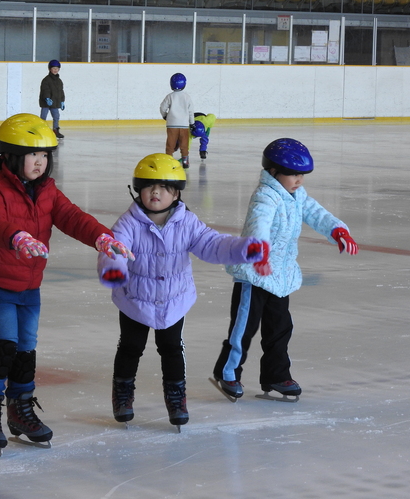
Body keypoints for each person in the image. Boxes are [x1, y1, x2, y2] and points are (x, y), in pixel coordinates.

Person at [0, 113, 133, 454]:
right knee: (3, 350)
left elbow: (72, 217)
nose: (40, 162)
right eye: (33, 155)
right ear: (10, 156)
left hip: (29, 287)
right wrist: (17, 237)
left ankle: (20, 410)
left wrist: (102, 237)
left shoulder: (47, 191)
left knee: (25, 353)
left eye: (45, 156)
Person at [97, 153, 263, 430]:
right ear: (139, 189)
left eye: (164, 187)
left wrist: (242, 249)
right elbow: (116, 247)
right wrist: (113, 267)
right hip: (135, 299)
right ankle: (123, 395)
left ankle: (176, 398)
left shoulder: (187, 222)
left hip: (173, 301)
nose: (156, 192)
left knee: (172, 348)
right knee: (130, 347)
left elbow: (212, 244)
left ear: (176, 193)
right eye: (150, 186)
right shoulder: (128, 222)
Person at [212, 138, 358, 402]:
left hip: (280, 277)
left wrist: (337, 230)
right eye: (292, 174)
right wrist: (260, 252)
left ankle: (276, 375)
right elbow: (260, 224)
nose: (298, 180)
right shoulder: (265, 196)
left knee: (280, 328)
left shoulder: (296, 195)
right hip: (254, 274)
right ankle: (228, 371)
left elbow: (316, 213)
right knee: (243, 328)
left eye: (301, 175)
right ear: (273, 172)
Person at [160, 73, 194, 169]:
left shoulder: (169, 96)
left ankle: (169, 160)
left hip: (172, 124)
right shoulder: (186, 97)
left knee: (170, 144)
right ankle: (185, 160)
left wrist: (165, 116)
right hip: (184, 125)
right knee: (184, 144)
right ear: (184, 84)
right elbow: (191, 111)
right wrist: (192, 123)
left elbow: (162, 107)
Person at [39, 59, 65, 139]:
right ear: (50, 69)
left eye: (57, 68)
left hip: (55, 103)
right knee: (43, 117)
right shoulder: (46, 80)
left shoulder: (59, 81)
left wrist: (62, 101)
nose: (55, 70)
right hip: (46, 103)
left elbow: (61, 91)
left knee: (56, 116)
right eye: (54, 68)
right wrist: (47, 98)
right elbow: (45, 90)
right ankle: (41, 130)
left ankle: (55, 130)